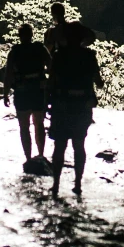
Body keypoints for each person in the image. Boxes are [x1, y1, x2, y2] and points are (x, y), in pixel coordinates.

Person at [48, 24, 103, 197]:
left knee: (60, 145)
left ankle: (56, 184)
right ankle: (77, 184)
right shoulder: (89, 56)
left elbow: (51, 81)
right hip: (82, 105)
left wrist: (47, 103)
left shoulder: (58, 56)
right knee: (79, 144)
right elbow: (99, 82)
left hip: (61, 105)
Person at [3, 23, 51, 166]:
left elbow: (8, 74)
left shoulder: (15, 51)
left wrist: (5, 93)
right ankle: (41, 154)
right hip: (38, 90)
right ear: (32, 34)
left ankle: (28, 157)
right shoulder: (40, 49)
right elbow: (52, 67)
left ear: (19, 35)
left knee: (24, 126)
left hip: (22, 92)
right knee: (39, 123)